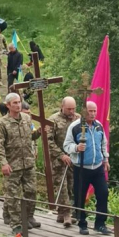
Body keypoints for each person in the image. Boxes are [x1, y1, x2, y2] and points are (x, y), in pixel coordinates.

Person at [0, 93, 42, 235]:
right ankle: (15, 223)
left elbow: (31, 135)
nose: (18, 105)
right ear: (8, 105)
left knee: (31, 191)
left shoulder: (27, 119)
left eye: (19, 102)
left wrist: (39, 132)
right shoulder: (2, 123)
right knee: (13, 195)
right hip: (12, 164)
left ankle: (28, 217)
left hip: (28, 163)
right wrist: (3, 163)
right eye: (14, 103)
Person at [63, 101, 111, 235]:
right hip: (81, 168)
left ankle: (100, 223)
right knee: (80, 196)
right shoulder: (75, 127)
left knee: (103, 193)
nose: (93, 114)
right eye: (90, 111)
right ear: (84, 111)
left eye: (95, 111)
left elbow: (103, 144)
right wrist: (76, 148)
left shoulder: (99, 126)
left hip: (97, 167)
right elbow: (66, 145)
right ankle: (82, 223)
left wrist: (105, 159)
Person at [46, 97, 80, 227]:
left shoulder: (78, 118)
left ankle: (61, 213)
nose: (71, 111)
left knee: (71, 186)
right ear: (62, 107)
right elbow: (48, 141)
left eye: (73, 109)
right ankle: (66, 214)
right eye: (68, 109)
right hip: (58, 160)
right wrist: (60, 155)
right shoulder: (53, 120)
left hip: (74, 158)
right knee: (62, 187)